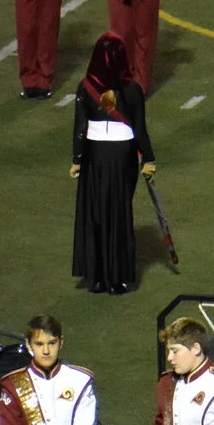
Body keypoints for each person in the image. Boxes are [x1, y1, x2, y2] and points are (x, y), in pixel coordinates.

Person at [70, 33, 153, 294]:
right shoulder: (132, 90)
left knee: (95, 214)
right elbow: (140, 130)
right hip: (122, 156)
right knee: (119, 214)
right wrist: (149, 159)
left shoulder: (86, 88)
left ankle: (96, 277)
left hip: (95, 156)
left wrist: (76, 160)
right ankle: (118, 278)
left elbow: (80, 128)